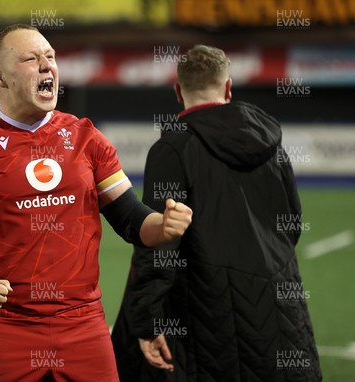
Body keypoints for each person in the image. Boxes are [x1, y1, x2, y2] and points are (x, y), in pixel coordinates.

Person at [0, 24, 192, 382]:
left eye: (51, 57)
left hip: (83, 326)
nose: (47, 66)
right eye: (31, 59)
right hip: (4, 326)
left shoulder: (86, 138)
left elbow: (132, 221)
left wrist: (162, 226)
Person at [111, 45, 322, 381]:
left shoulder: (172, 148)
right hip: (278, 299)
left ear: (178, 92)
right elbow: (291, 222)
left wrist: (146, 321)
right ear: (228, 87)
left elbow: (160, 242)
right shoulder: (271, 143)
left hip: (205, 310)